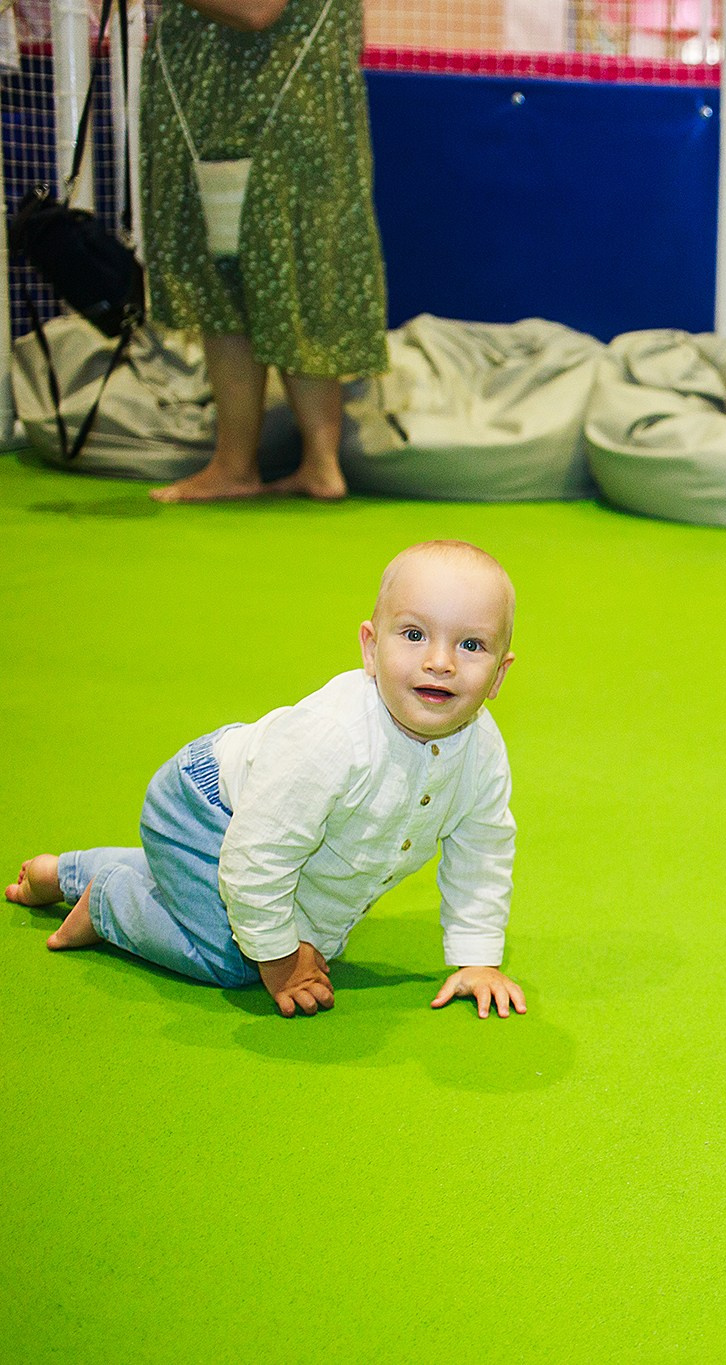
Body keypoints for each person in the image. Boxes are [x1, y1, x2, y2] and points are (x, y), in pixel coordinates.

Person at [5, 542, 526, 1020]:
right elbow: (257, 855)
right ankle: (109, 899)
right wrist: (279, 962)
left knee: (294, 927)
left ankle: (70, 873)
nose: (439, 662)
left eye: (471, 645)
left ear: (499, 675)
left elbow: (483, 850)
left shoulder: (481, 750)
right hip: (203, 808)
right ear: (370, 648)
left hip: (261, 824)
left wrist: (477, 959)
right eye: (413, 635)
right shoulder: (332, 738)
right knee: (235, 956)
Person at [141, 0, 387, 503]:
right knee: (293, 276)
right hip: (273, 103)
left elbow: (257, 9)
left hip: (260, 106)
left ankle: (239, 465)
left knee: (235, 277)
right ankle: (316, 464)